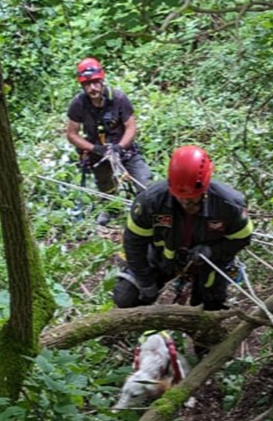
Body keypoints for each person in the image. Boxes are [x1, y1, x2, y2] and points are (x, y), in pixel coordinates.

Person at [113, 146, 253, 311]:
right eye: (181, 199)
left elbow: (242, 239)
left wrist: (211, 251)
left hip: (208, 264)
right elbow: (134, 243)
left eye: (193, 200)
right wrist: (146, 282)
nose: (187, 204)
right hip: (161, 258)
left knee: (209, 308)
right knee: (126, 297)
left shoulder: (228, 204)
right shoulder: (151, 201)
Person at [66, 57, 152, 225]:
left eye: (96, 83)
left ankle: (148, 211)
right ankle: (109, 208)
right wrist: (95, 149)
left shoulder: (118, 98)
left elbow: (131, 127)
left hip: (125, 150)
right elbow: (72, 134)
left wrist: (120, 147)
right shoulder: (78, 104)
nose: (92, 88)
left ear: (102, 80)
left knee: (144, 183)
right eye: (87, 84)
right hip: (99, 153)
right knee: (105, 186)